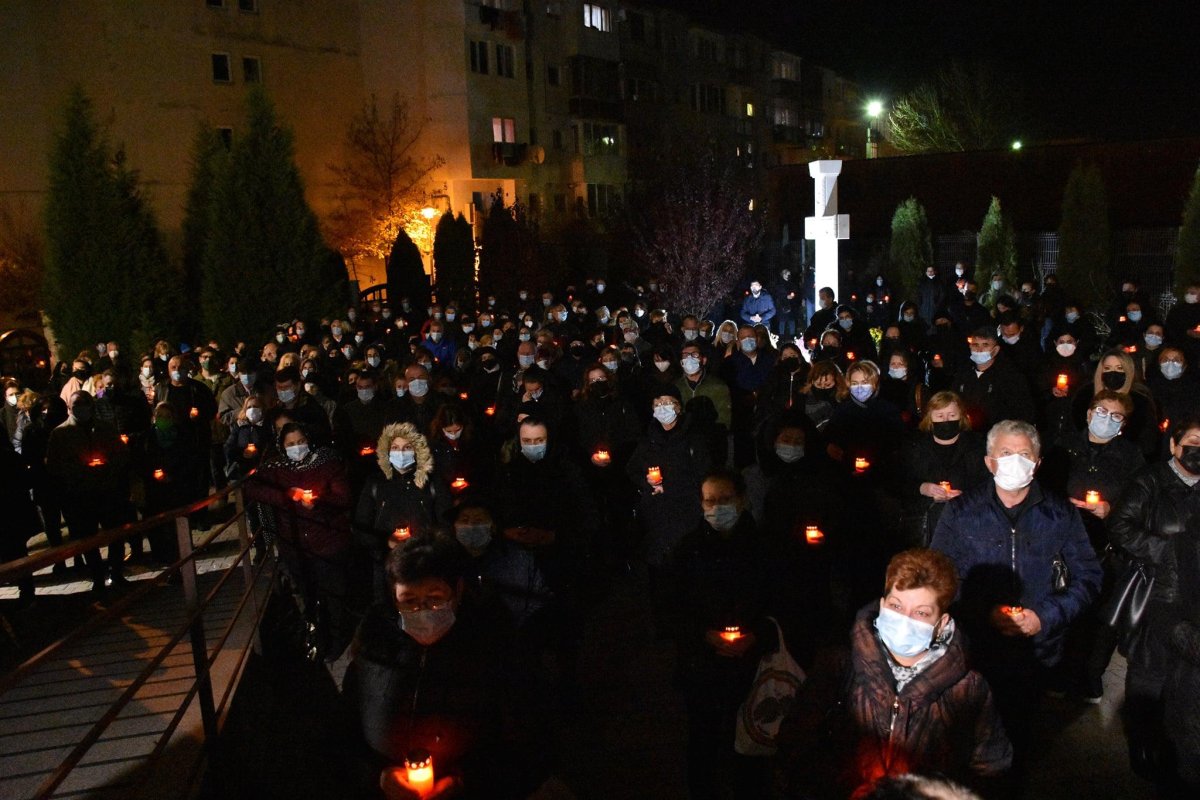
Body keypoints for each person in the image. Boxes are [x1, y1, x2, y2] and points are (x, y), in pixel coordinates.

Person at [931, 420, 1101, 764]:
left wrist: (1045, 617)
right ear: (989, 461)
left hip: (1036, 652)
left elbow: (1089, 578)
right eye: (1005, 453)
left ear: (1037, 464)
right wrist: (983, 613)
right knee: (965, 739)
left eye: (1024, 454)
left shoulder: (1061, 514)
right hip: (972, 648)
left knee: (1019, 737)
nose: (1015, 461)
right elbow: (938, 576)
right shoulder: (961, 511)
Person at [344, 535, 549, 799]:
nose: (423, 610)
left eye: (435, 598)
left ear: (458, 591)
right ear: (394, 601)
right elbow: (344, 729)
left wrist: (465, 782)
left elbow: (528, 745)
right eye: (409, 601)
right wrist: (378, 776)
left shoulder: (492, 646)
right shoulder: (375, 645)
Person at [799, 549, 1012, 798]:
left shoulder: (968, 687)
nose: (904, 620)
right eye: (896, 606)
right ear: (882, 605)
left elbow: (990, 769)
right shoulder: (838, 664)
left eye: (921, 613)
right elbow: (798, 743)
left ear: (941, 622)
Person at [671, 468, 782, 800]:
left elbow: (781, 602)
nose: (717, 507)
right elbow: (672, 606)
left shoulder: (765, 547)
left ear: (743, 500)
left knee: (750, 742)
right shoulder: (688, 549)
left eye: (725, 499)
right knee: (702, 740)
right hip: (702, 665)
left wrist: (757, 636)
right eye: (710, 500)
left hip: (752, 667)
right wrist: (704, 636)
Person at [1107, 413, 1200, 779]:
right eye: (1192, 440)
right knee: (1149, 672)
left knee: (1184, 679)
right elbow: (1119, 525)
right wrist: (1164, 550)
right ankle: (1143, 746)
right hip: (1157, 593)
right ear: (1175, 445)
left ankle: (1177, 748)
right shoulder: (1151, 480)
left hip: (1195, 599)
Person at [245, 421, 352, 660]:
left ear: (309, 441)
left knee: (332, 596)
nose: (297, 447)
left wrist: (319, 501)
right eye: (291, 444)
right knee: (306, 595)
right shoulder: (276, 467)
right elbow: (251, 488)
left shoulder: (326, 462)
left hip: (328, 543)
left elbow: (343, 497)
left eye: (301, 442)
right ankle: (315, 638)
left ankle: (335, 642)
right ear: (282, 447)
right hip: (295, 547)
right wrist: (285, 496)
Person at [903, 391, 989, 547]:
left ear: (961, 416)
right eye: (940, 416)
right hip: (925, 525)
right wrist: (923, 488)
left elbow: (986, 482)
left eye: (951, 415)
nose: (946, 420)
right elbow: (900, 481)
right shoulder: (915, 445)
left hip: (968, 522)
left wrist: (964, 496)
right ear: (930, 418)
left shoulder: (977, 445)